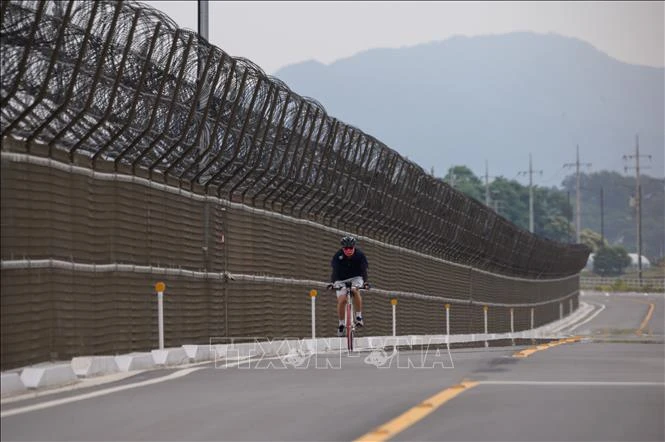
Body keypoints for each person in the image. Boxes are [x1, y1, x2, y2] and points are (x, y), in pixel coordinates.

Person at [328, 235, 370, 337]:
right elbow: (334, 272)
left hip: (356, 277)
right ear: (343, 248)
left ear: (354, 247)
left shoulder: (360, 255)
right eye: (346, 248)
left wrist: (365, 283)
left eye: (350, 248)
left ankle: (359, 317)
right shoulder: (338, 256)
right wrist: (333, 283)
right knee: (342, 300)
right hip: (341, 279)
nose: (348, 250)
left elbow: (364, 270)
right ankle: (341, 324)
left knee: (355, 290)